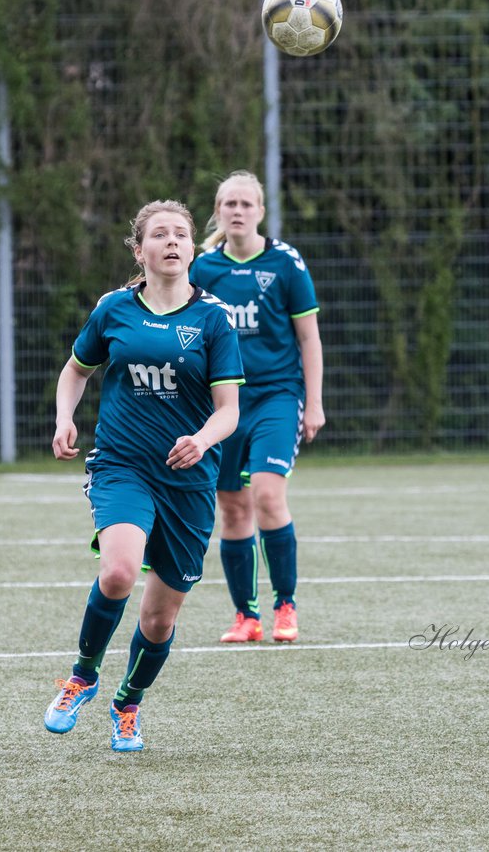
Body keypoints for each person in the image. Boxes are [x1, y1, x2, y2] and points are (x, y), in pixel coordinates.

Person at [45, 200, 243, 751]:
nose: (174, 242)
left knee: (158, 621)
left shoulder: (214, 319)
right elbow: (75, 372)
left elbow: (228, 410)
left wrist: (201, 440)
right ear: (140, 250)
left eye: (182, 234)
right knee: (118, 573)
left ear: (193, 248)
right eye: (160, 235)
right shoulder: (114, 310)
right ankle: (82, 676)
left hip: (189, 481)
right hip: (122, 465)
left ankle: (127, 703)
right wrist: (64, 417)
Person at [188, 170, 325, 644]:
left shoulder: (286, 263)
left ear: (260, 211)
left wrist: (315, 403)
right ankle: (245, 616)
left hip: (277, 396)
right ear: (218, 211)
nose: (238, 211)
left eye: (246, 204)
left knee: (268, 494)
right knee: (232, 509)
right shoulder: (203, 269)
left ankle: (285, 604)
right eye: (229, 204)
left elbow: (308, 337)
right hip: (223, 404)